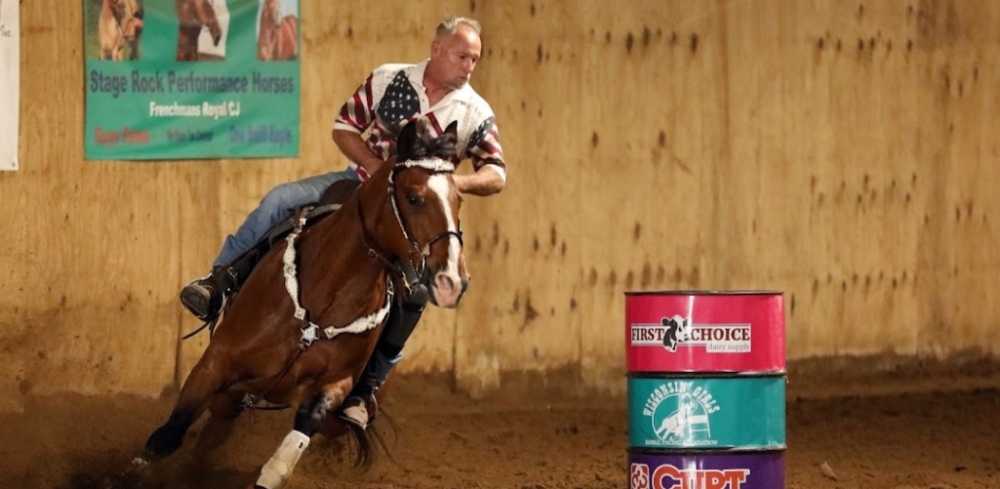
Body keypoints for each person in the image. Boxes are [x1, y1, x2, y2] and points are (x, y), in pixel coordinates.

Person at [178, 16, 507, 429]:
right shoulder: (390, 79)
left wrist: (450, 184)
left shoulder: (475, 111)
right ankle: (218, 283)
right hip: (358, 184)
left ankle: (366, 388)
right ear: (437, 48)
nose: (469, 67)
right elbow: (344, 126)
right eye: (462, 56)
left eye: (475, 59)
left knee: (417, 294)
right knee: (280, 201)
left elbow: (496, 172)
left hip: (413, 215)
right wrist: (373, 168)